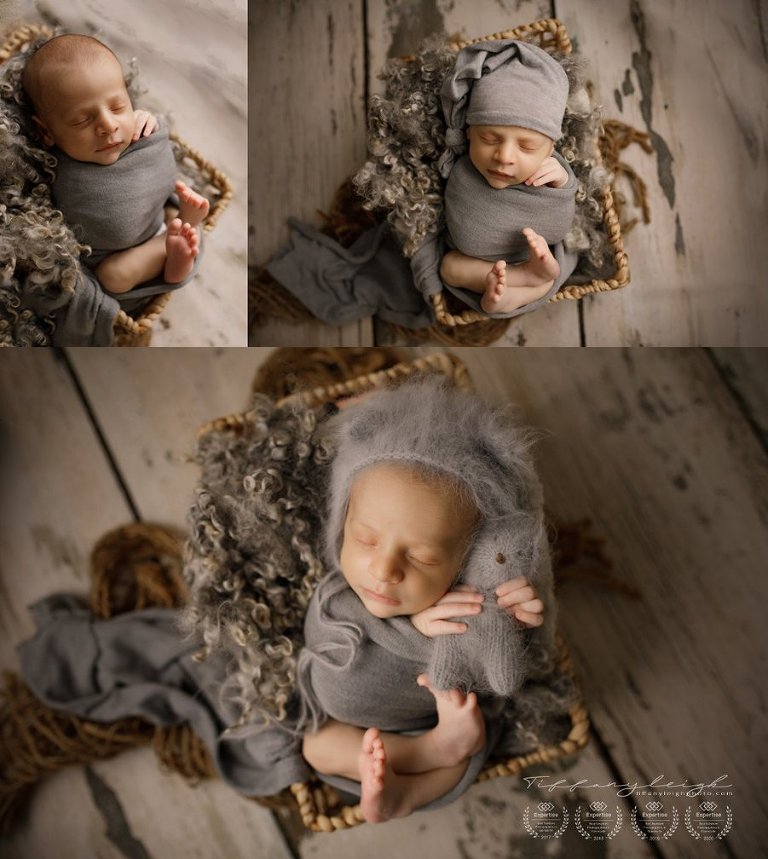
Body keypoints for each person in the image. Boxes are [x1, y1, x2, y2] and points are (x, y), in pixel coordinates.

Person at [297, 378, 555, 823]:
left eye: (421, 558)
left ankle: (415, 783)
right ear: (342, 526)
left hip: (433, 720)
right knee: (316, 746)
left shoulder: (464, 603)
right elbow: (321, 631)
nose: (384, 570)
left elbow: (497, 672)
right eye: (365, 539)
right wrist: (413, 629)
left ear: (464, 560)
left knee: (468, 743)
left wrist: (517, 623)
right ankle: (423, 757)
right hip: (361, 729)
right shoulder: (338, 596)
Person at [21, 33, 209, 295]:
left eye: (118, 107)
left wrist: (143, 118)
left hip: (158, 217)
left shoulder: (132, 129)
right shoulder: (47, 164)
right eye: (81, 121)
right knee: (112, 276)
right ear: (47, 131)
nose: (109, 126)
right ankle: (176, 248)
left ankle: (180, 233)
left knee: (170, 213)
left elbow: (153, 151)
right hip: (122, 258)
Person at [436, 40, 578, 315]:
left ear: (551, 148)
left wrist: (562, 183)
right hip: (480, 264)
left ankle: (525, 287)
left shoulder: (549, 170)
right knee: (449, 267)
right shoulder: (462, 167)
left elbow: (563, 224)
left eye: (527, 147)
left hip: (535, 255)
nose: (504, 156)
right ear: (468, 133)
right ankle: (524, 279)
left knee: (553, 266)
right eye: (488, 139)